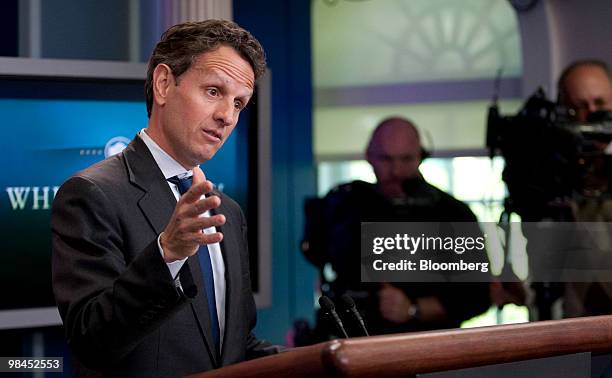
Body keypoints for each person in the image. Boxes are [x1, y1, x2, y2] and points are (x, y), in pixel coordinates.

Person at [52, 20, 279, 377]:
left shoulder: (228, 213)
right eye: (214, 92)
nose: (226, 116)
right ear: (163, 84)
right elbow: (91, 340)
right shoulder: (92, 194)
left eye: (239, 103)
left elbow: (236, 346)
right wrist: (166, 254)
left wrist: (328, 359)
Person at [302, 117, 491, 338]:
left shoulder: (453, 214)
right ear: (369, 156)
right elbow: (318, 256)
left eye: (406, 159)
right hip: (353, 345)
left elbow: (478, 297)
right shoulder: (343, 204)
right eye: (386, 159)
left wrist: (413, 309)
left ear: (421, 155)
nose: (396, 171)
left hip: (426, 348)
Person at [555, 59, 612, 318]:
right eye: (580, 106)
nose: (592, 114)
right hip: (578, 328)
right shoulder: (557, 175)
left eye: (600, 103)